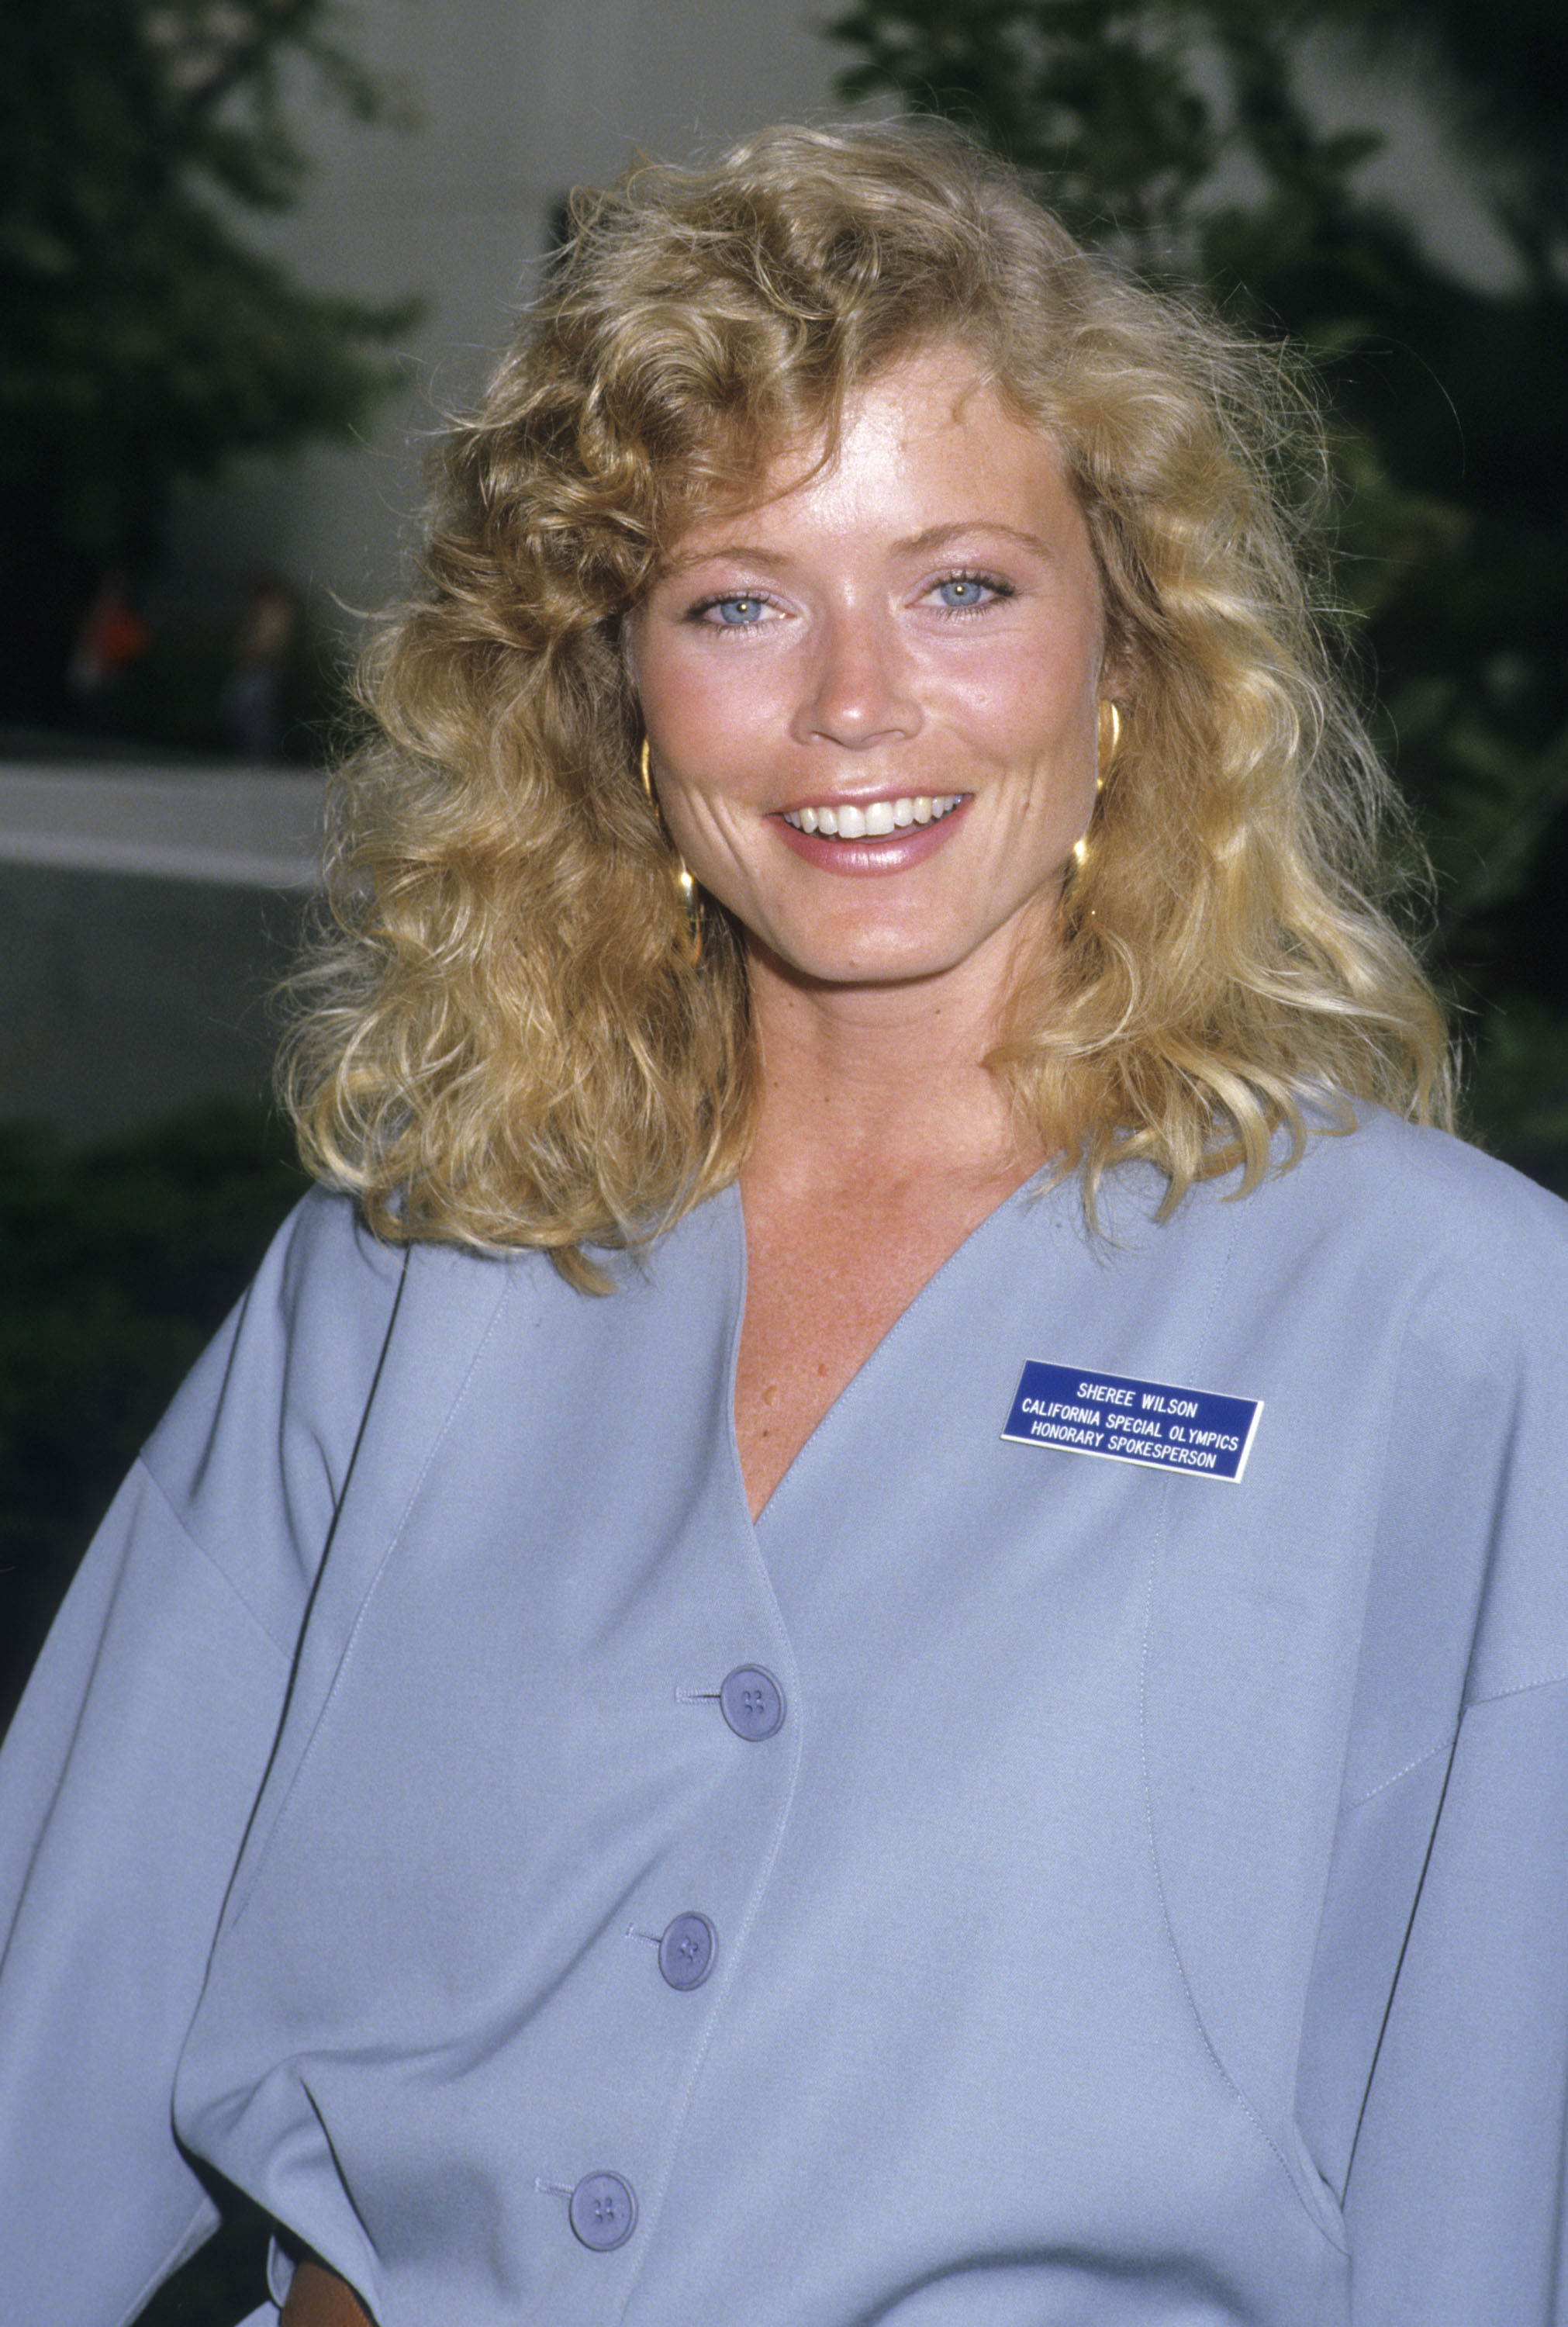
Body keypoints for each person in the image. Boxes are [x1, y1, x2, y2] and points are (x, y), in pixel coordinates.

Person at [2, 119, 1566, 2327]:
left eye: (962, 585)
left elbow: (1489, 2194)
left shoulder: (1459, 1328)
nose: (855, 703)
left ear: (1125, 657)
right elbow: (42, 2045)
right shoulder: (402, 1278)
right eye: (737, 599)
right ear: (617, 705)